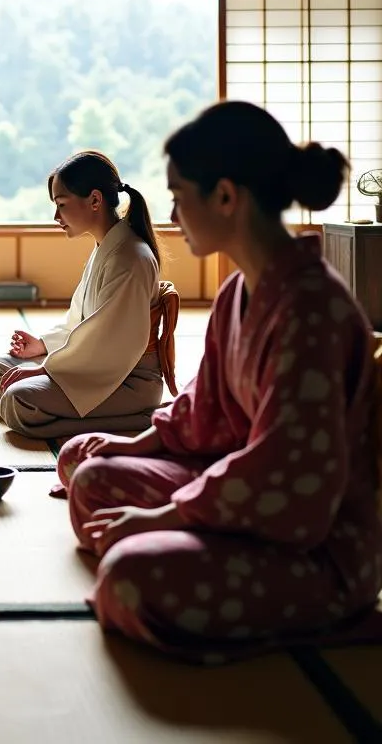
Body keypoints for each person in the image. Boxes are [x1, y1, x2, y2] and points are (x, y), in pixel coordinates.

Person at [58, 102, 382, 662]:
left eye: (180, 195)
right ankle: (192, 535)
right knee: (90, 475)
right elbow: (199, 412)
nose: (173, 214)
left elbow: (284, 472)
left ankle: (208, 554)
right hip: (238, 497)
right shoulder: (238, 292)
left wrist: (162, 516)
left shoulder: (310, 306)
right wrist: (131, 445)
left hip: (315, 546)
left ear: (227, 197)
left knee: (128, 579)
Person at [0, 151, 177, 439]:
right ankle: (44, 410)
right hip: (91, 369)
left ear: (95, 200)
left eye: (61, 205)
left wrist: (42, 372)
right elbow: (82, 323)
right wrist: (43, 345)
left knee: (17, 401)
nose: (57, 216)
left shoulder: (131, 258)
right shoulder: (107, 247)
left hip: (126, 382)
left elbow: (109, 346)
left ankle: (137, 419)